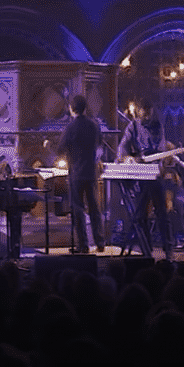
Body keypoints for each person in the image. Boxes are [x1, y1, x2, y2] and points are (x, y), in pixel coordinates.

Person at [117, 102, 174, 261]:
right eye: (144, 113)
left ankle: (168, 249)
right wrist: (126, 158)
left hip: (155, 173)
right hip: (140, 174)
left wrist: (152, 157)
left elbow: (160, 148)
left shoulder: (158, 126)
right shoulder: (133, 126)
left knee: (161, 212)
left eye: (149, 113)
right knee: (141, 215)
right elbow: (123, 145)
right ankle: (146, 249)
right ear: (139, 112)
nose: (147, 116)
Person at [59, 95, 105, 254]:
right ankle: (100, 242)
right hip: (91, 172)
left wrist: (48, 145)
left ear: (71, 109)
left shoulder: (70, 127)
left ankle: (83, 245)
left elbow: (60, 149)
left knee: (78, 209)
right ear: (85, 108)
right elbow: (100, 143)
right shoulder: (94, 125)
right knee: (94, 208)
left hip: (76, 174)